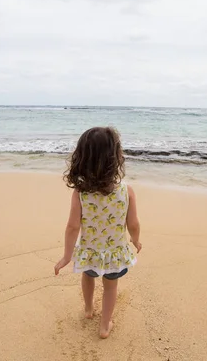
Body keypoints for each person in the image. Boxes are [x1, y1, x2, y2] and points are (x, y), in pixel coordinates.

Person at [54, 126, 142, 339]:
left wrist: (67, 256)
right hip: (114, 253)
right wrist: (136, 241)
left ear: (83, 158)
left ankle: (88, 309)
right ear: (116, 158)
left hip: (90, 252)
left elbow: (73, 226)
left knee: (88, 276)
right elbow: (134, 224)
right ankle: (104, 326)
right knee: (111, 287)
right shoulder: (126, 191)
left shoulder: (81, 193)